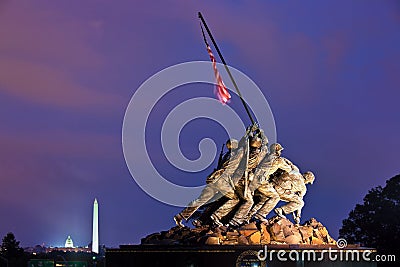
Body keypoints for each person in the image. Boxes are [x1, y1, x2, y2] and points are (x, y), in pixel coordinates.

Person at [173, 137, 244, 227]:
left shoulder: (226, 155)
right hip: (223, 181)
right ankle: (216, 216)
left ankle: (181, 216)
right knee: (235, 198)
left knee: (201, 200)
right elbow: (243, 149)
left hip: (213, 179)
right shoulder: (236, 155)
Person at [210, 131, 269, 227]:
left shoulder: (243, 151)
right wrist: (261, 133)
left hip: (235, 179)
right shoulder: (259, 154)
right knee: (249, 201)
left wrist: (249, 133)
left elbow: (244, 142)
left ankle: (217, 216)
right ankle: (235, 220)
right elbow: (265, 144)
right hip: (244, 181)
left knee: (236, 199)